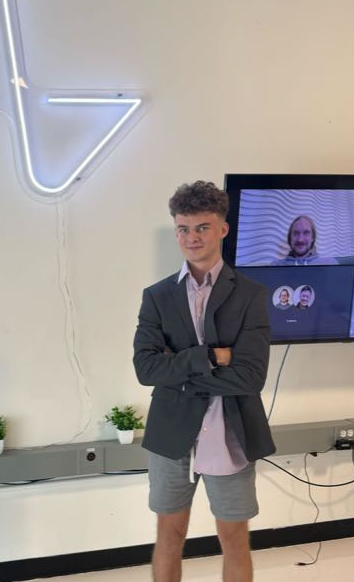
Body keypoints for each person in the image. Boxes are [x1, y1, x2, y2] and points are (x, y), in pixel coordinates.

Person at [133, 180, 275, 582]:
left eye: (202, 227)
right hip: (171, 435)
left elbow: (251, 376)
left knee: (234, 539)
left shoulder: (250, 295)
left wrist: (178, 374)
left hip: (230, 431)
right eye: (183, 228)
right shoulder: (157, 296)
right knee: (169, 535)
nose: (191, 237)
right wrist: (212, 357)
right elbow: (146, 370)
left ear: (222, 229)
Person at [270, 215, 338, 266]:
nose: (300, 239)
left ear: (312, 238)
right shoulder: (276, 266)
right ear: (290, 238)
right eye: (296, 233)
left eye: (306, 233)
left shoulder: (329, 264)